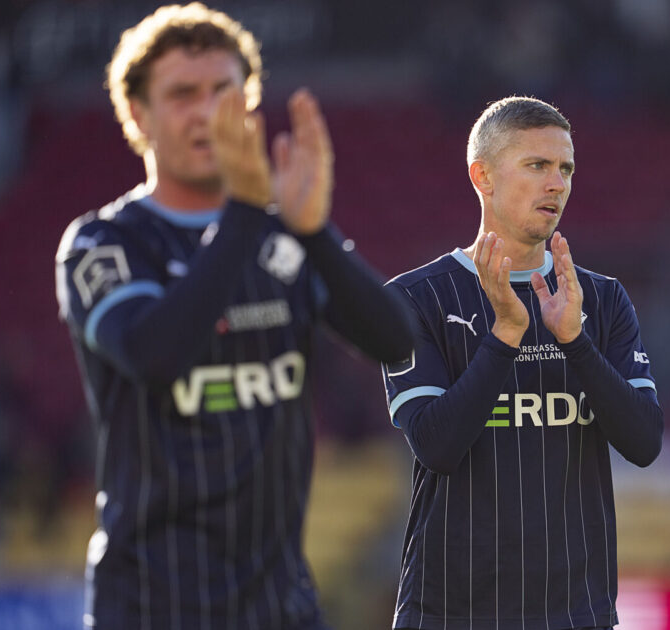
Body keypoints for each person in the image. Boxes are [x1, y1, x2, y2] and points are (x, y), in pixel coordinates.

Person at [53, 4, 414, 628]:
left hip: (280, 606)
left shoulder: (283, 238)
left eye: (225, 90)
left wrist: (316, 233)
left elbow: (397, 340)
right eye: (182, 94)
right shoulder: (104, 244)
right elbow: (153, 354)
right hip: (150, 608)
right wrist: (249, 211)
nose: (206, 112)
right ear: (137, 114)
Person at [379, 96, 664, 629]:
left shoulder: (601, 300)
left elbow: (645, 443)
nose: (557, 184)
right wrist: (506, 334)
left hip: (577, 613)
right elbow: (437, 446)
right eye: (537, 166)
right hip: (451, 613)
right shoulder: (415, 299)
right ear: (482, 176)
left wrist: (575, 342)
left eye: (566, 169)